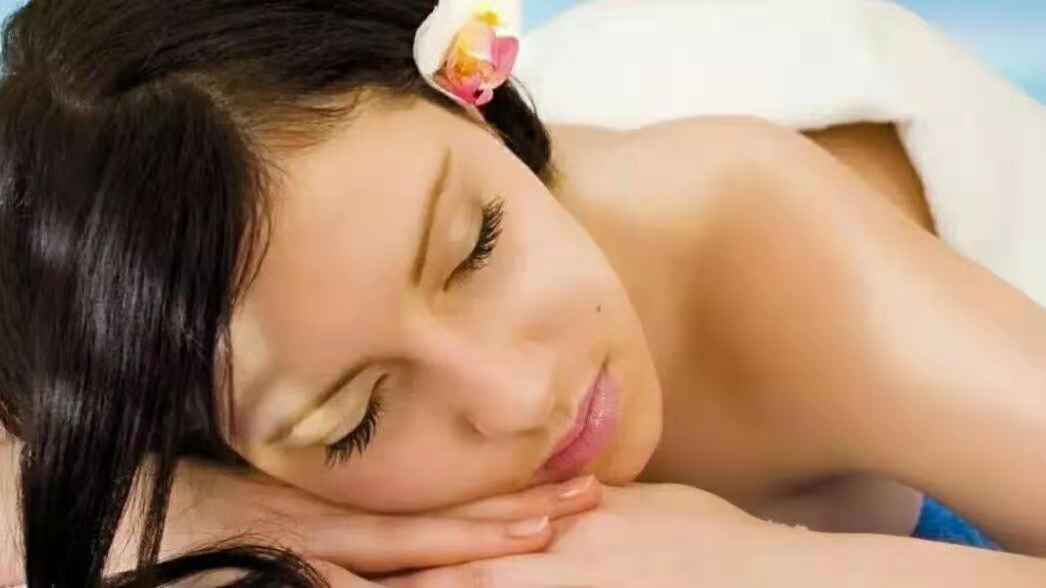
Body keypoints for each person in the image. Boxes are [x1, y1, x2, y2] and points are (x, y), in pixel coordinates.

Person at [1, 0, 1045, 586]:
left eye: (476, 249)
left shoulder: (764, 249)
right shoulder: (209, 357)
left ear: (477, 109)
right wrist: (187, 521)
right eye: (356, 418)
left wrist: (759, 568)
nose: (516, 395)